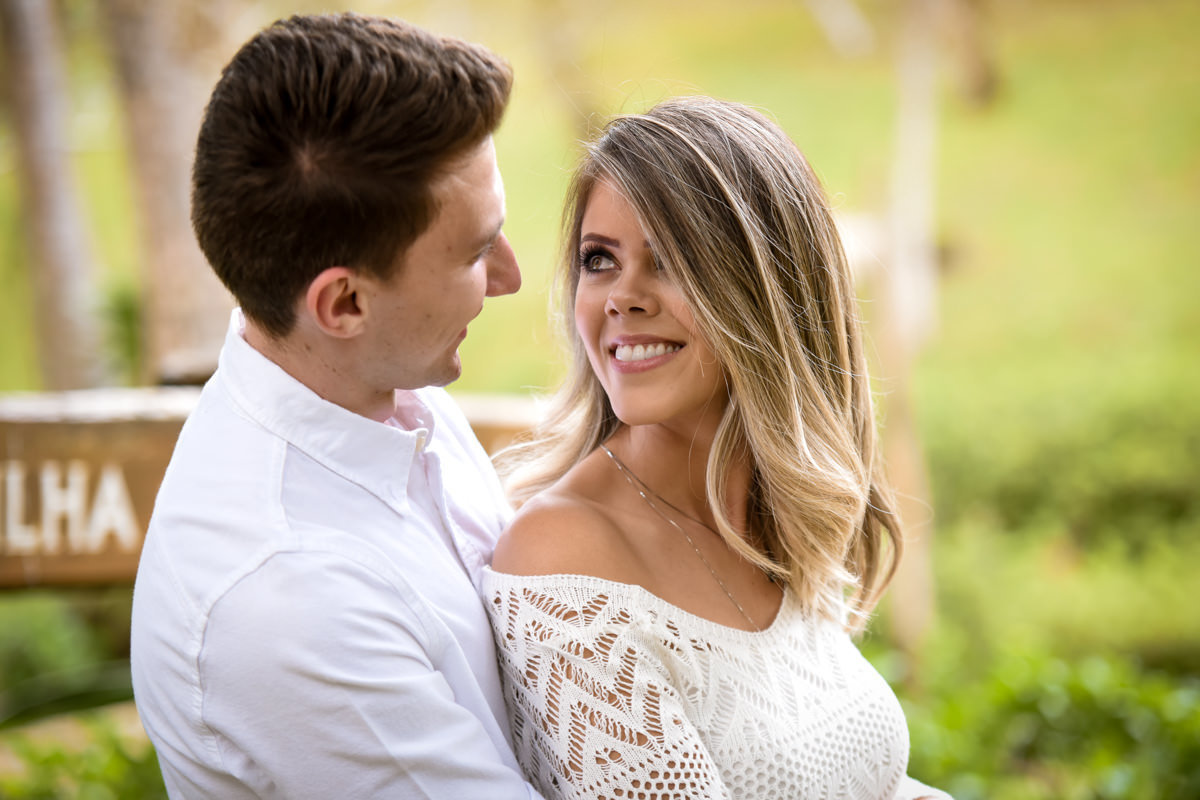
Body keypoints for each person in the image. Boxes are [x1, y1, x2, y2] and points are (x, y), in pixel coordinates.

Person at [483, 96, 951, 800]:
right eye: (599, 260)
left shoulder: (767, 515)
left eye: (670, 262)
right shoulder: (566, 561)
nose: (622, 298)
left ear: (765, 289)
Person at [130, 13, 541, 798]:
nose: (509, 277)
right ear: (343, 302)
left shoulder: (382, 391)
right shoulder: (294, 604)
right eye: (474, 250)